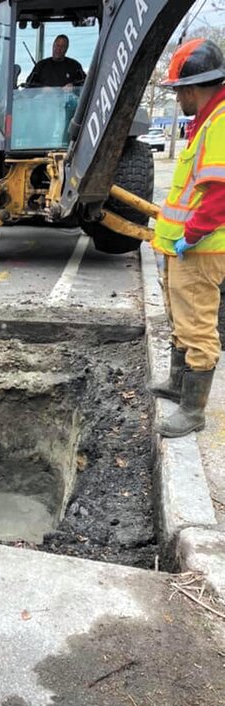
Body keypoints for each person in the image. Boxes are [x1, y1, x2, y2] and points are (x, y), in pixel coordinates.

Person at [150, 38, 225, 438]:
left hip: (203, 247)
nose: (177, 98)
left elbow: (220, 194)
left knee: (197, 325)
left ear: (193, 88)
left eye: (178, 91)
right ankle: (179, 386)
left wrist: (192, 235)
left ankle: (192, 412)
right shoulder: (208, 121)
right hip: (189, 247)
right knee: (183, 319)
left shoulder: (221, 122)